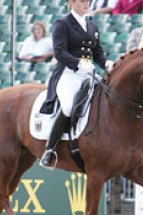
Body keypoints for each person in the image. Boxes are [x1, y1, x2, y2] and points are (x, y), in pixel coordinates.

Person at [39, 0, 114, 168]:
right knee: (67, 107)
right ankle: (50, 150)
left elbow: (97, 53)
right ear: (71, 2)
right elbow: (59, 52)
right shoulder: (62, 24)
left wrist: (106, 63)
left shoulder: (92, 26)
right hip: (68, 73)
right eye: (82, 1)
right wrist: (78, 63)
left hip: (88, 74)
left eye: (88, 1)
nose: (86, 3)